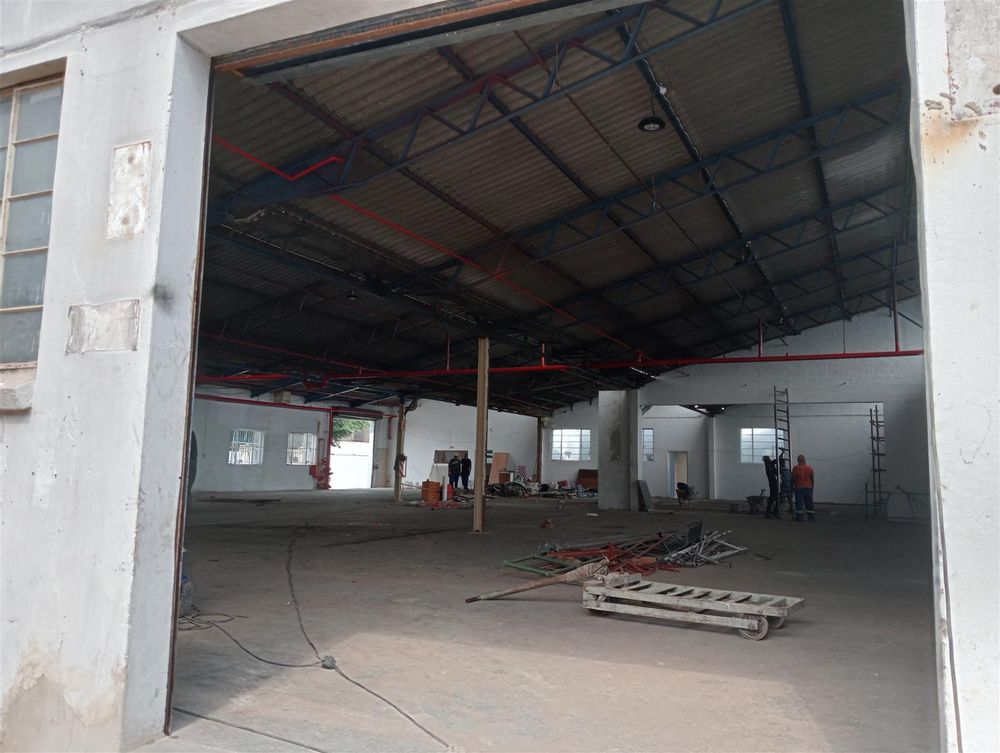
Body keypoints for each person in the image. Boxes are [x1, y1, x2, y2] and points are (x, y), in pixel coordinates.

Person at [792, 454, 816, 521]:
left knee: (799, 503)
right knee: (809, 502)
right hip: (808, 487)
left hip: (799, 487)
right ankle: (811, 517)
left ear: (798, 460)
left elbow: (793, 478)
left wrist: (793, 486)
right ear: (804, 460)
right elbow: (812, 479)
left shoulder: (796, 468)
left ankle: (799, 517)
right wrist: (812, 487)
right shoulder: (809, 468)